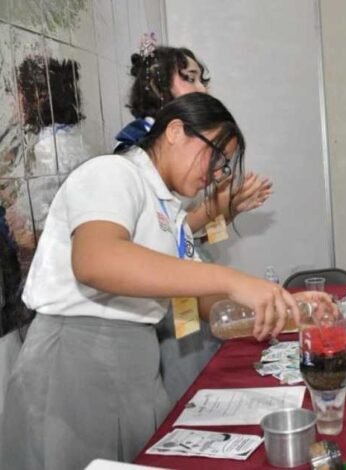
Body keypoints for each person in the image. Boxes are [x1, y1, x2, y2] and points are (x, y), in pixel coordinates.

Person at [0, 93, 326, 468]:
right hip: (76, 359)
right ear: (175, 131)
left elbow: (204, 304)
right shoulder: (112, 172)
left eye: (224, 166)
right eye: (215, 156)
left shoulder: (168, 210)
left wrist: (285, 307)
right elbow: (96, 260)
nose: (216, 173)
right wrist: (231, 278)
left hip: (135, 360)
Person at [117, 40, 273, 401]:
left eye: (204, 79)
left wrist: (225, 211)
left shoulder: (181, 159)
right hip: (159, 311)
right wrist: (219, 208)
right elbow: (155, 240)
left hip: (188, 293)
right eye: (190, 78)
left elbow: (186, 234)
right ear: (157, 86)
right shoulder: (128, 163)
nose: (202, 88)